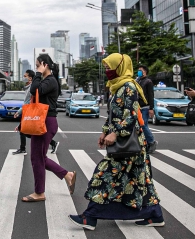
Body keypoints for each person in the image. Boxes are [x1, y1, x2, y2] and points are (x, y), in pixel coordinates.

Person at [69, 53, 163, 230]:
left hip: (128, 141)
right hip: (130, 142)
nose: (107, 70)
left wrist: (116, 133)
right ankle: (155, 214)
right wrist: (105, 132)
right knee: (140, 179)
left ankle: (90, 216)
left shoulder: (128, 86)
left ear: (119, 67)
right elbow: (114, 115)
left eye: (109, 66)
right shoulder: (117, 87)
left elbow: (131, 116)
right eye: (105, 67)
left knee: (103, 175)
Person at [21, 54, 76, 202]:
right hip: (41, 120)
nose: (36, 68)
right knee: (39, 157)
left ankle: (40, 193)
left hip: (46, 122)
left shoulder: (50, 81)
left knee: (37, 158)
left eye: (37, 65)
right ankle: (67, 175)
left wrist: (38, 73)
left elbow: (34, 90)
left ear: (44, 64)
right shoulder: (47, 80)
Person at [13, 69, 59, 155]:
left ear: (30, 78)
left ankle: (23, 149)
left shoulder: (32, 87)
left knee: (28, 130)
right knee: (28, 131)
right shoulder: (28, 87)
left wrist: (19, 112)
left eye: (25, 76)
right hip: (28, 110)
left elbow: (28, 102)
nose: (23, 78)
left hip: (30, 111)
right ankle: (52, 143)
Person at [136, 65, 157, 153]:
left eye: (140, 70)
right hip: (138, 106)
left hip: (145, 106)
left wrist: (151, 108)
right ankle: (146, 143)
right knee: (140, 126)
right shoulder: (138, 81)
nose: (139, 72)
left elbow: (151, 95)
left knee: (143, 125)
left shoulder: (148, 82)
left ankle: (151, 142)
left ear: (145, 72)